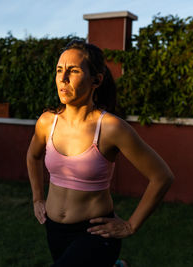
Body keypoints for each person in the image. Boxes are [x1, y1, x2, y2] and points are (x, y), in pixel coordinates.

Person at [26, 40, 174, 267]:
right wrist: (37, 197)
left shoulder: (111, 128)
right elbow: (33, 156)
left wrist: (131, 225)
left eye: (73, 71)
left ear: (96, 80)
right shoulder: (47, 122)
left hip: (95, 232)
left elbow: (162, 176)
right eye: (59, 70)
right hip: (54, 229)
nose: (63, 78)